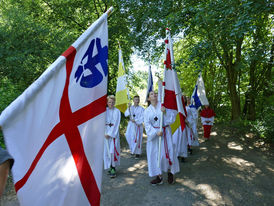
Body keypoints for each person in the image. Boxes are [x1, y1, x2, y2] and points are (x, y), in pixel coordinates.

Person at [144, 91, 179, 185]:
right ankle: (159, 176)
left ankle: (170, 173)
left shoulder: (163, 106)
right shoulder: (147, 111)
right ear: (148, 98)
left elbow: (172, 119)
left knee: (166, 154)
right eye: (151, 94)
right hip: (154, 136)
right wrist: (155, 132)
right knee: (155, 155)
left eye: (155, 93)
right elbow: (147, 125)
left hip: (165, 133)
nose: (154, 94)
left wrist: (166, 112)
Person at [104, 95, 121, 178]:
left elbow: (116, 123)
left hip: (113, 134)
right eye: (109, 102)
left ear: (115, 102)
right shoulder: (104, 111)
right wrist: (105, 133)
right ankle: (110, 167)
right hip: (105, 133)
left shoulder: (117, 111)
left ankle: (113, 167)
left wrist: (110, 134)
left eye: (112, 102)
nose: (111, 103)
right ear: (107, 102)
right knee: (106, 151)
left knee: (112, 151)